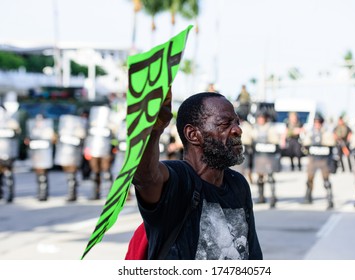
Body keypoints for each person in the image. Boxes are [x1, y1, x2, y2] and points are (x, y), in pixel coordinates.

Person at [133, 91, 263, 260]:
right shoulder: (177, 179)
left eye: (237, 122)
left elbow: (252, 254)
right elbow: (145, 176)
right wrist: (153, 131)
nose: (238, 130)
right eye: (225, 124)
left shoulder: (237, 184)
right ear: (193, 135)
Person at [302, 113, 336, 210]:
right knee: (309, 178)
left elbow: (331, 143)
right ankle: (308, 197)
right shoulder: (311, 132)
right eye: (316, 122)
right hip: (313, 159)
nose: (317, 124)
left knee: (326, 180)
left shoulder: (326, 133)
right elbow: (306, 143)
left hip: (323, 160)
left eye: (319, 122)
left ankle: (330, 199)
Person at [83, 106, 114, 200]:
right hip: (93, 150)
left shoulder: (111, 123)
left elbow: (115, 136)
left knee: (106, 173)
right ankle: (95, 193)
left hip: (106, 150)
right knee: (95, 173)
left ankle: (110, 193)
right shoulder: (90, 124)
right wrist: (86, 149)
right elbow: (86, 137)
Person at [54, 114, 87, 202]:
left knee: (72, 173)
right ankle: (71, 191)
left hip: (74, 153)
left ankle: (72, 194)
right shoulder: (63, 128)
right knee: (68, 174)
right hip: (64, 153)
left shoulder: (79, 128)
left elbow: (82, 137)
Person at [252, 111, 281, 208]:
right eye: (259, 118)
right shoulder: (255, 128)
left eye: (262, 118)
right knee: (260, 177)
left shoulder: (270, 128)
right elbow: (251, 139)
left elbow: (275, 140)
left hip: (269, 156)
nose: (260, 120)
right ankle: (261, 197)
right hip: (259, 156)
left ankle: (273, 197)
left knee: (270, 177)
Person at [25, 114, 56, 201]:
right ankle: (40, 192)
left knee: (43, 174)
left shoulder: (48, 130)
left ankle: (43, 194)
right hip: (36, 154)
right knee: (38, 174)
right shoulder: (34, 129)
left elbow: (53, 139)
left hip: (45, 154)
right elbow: (29, 139)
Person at [0, 105, 21, 203]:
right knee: (5, 173)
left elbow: (17, 132)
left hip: (8, 152)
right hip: (6, 152)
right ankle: (5, 194)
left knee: (8, 172)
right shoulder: (10, 121)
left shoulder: (10, 121)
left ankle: (9, 194)